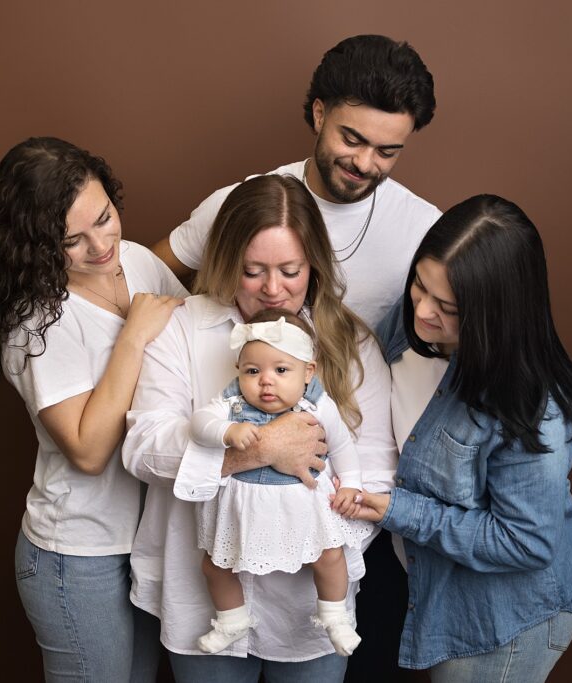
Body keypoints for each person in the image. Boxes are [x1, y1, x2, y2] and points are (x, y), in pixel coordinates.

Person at [123, 174, 397, 682]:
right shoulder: (181, 328)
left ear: (313, 265)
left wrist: (306, 541)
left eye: (290, 271)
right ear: (227, 262)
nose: (274, 290)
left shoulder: (351, 344)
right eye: (253, 271)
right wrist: (259, 450)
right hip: (201, 601)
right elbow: (143, 448)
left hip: (311, 609)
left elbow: (377, 472)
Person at [346, 195, 572, 682]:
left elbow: (524, 542)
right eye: (420, 285)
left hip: (500, 620)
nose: (422, 312)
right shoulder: (405, 323)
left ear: (497, 312)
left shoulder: (533, 406)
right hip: (419, 585)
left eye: (448, 308)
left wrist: (397, 510)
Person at [0, 137, 186, 682]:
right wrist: (132, 338)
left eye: (105, 217)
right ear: (39, 246)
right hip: (76, 556)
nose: (101, 245)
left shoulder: (137, 261)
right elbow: (88, 451)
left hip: (148, 542)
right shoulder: (37, 320)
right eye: (73, 239)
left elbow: (191, 354)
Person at [151, 33, 441, 329]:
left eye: (386, 151)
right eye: (352, 139)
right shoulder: (240, 205)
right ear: (319, 115)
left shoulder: (425, 229)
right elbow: (142, 273)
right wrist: (183, 332)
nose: (364, 163)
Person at [187, 309, 373, 656]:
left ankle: (334, 615)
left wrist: (350, 483)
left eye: (281, 370)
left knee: (330, 557)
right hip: (246, 505)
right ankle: (231, 619)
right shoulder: (232, 403)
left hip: (303, 501)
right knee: (214, 565)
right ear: (239, 372)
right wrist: (226, 430)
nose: (266, 381)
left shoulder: (318, 404)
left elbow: (343, 445)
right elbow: (198, 423)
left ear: (308, 372)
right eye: (252, 371)